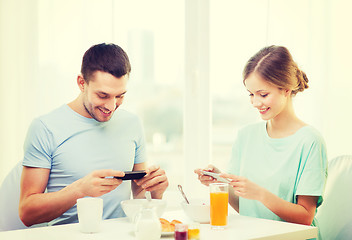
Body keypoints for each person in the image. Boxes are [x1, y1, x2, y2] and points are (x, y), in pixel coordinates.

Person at [19, 43, 169, 227]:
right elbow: (27, 213)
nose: (111, 106)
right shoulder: (45, 128)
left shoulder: (132, 124)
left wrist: (155, 192)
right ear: (82, 83)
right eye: (103, 95)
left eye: (120, 96)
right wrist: (79, 190)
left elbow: (138, 199)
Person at [195, 45, 327, 227]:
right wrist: (218, 180)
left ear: (286, 89)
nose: (256, 103)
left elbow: (305, 217)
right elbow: (246, 207)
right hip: (255, 234)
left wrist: (260, 193)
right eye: (251, 94)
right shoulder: (246, 136)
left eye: (263, 94)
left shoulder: (310, 141)